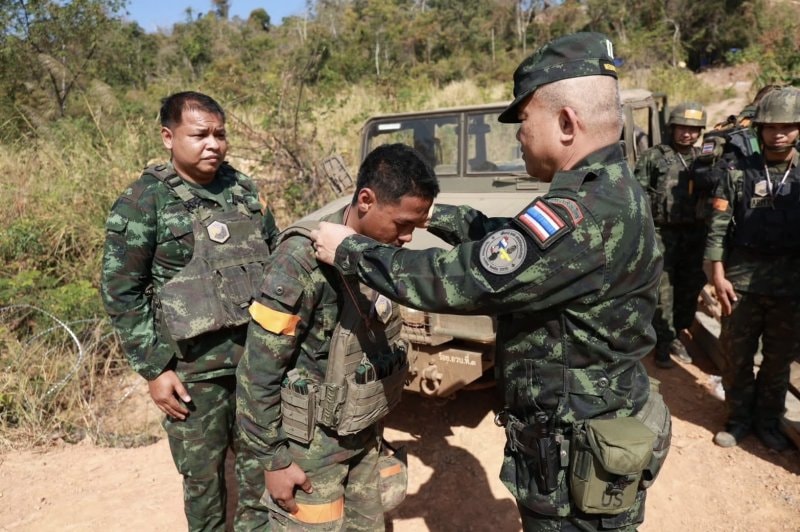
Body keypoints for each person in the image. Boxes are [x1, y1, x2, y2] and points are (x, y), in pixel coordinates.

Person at [311, 33, 669, 531]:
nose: (518, 137)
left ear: (566, 123)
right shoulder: (609, 191)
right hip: (599, 419)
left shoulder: (580, 214)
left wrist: (350, 250)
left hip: (575, 450)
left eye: (523, 123)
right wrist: (434, 214)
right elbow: (514, 246)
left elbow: (463, 279)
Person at [236, 143, 439, 530]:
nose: (408, 238)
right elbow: (257, 370)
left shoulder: (376, 254)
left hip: (363, 432)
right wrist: (274, 460)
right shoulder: (298, 261)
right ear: (366, 200)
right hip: (310, 451)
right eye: (402, 224)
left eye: (415, 226)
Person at [101, 91, 277, 530]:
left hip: (254, 365)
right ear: (168, 136)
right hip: (191, 374)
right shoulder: (144, 201)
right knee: (203, 484)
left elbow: (274, 264)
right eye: (200, 135)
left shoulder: (243, 189)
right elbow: (122, 291)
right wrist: (155, 370)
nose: (213, 144)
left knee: (259, 472)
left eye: (220, 134)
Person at [706, 86, 800, 452]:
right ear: (758, 129)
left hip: (790, 284)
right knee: (737, 356)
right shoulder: (737, 171)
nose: (779, 133)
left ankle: (768, 421)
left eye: (788, 126)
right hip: (741, 279)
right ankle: (738, 418)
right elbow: (717, 225)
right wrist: (716, 272)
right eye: (771, 126)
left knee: (778, 360)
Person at [634, 102, 708, 369]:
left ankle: (678, 332)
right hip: (663, 233)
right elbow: (639, 194)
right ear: (672, 128)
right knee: (663, 290)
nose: (687, 134)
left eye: (693, 130)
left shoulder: (705, 158)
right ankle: (663, 342)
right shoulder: (654, 157)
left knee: (690, 288)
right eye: (682, 128)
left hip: (695, 235)